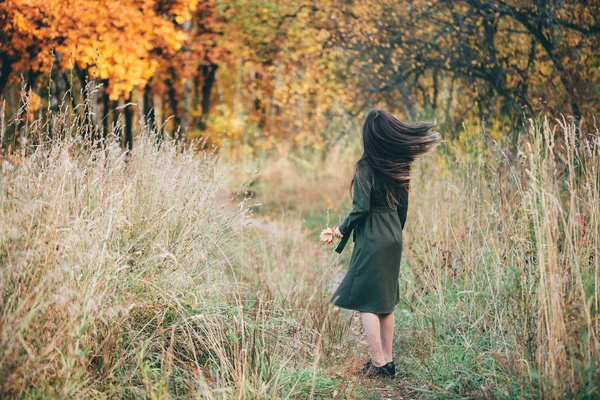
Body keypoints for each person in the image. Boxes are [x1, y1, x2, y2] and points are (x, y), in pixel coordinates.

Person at [330, 109, 441, 378]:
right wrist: (394, 234)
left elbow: (360, 209)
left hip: (373, 236)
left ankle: (378, 363)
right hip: (393, 235)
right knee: (386, 302)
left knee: (367, 302)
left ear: (369, 138)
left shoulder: (365, 167)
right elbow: (403, 208)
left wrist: (339, 230)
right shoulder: (400, 165)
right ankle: (388, 363)